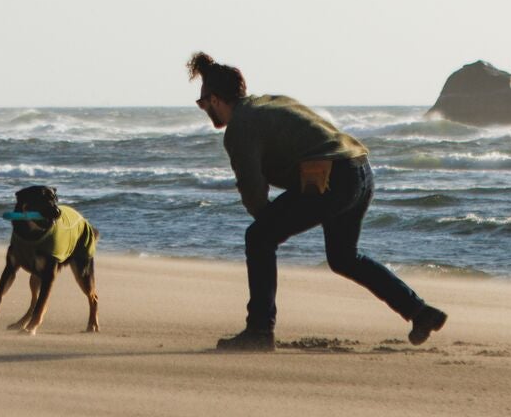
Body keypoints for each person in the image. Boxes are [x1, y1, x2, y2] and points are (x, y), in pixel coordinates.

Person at [188, 51, 448, 352]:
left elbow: (253, 189)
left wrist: (267, 224)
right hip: (360, 169)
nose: (205, 110)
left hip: (335, 177)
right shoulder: (269, 103)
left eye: (203, 103)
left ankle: (259, 331)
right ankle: (420, 312)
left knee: (258, 237)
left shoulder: (241, 127)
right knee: (343, 257)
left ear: (215, 100)